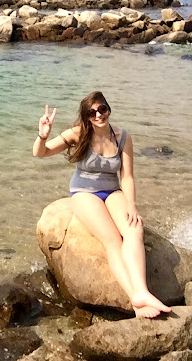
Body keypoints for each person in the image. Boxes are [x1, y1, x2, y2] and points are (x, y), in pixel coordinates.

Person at [32, 91, 171, 319]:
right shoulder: (78, 133)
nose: (98, 115)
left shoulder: (122, 137)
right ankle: (135, 296)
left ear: (108, 109)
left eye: (102, 109)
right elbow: (41, 153)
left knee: (134, 230)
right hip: (84, 192)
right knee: (113, 240)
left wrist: (132, 205)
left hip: (112, 190)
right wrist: (42, 135)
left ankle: (142, 292)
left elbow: (127, 177)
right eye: (92, 112)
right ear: (86, 116)